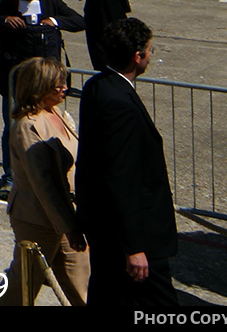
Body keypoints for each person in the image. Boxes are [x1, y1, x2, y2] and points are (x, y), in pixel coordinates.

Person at [76, 17, 178, 309]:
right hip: (132, 238)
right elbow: (121, 178)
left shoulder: (98, 86)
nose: (150, 54)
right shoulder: (120, 104)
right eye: (149, 49)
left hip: (105, 230)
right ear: (138, 56)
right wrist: (134, 249)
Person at [0, 0, 85, 195]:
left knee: (49, 125)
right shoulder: (3, 1)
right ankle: (11, 177)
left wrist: (54, 20)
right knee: (13, 127)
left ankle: (53, 173)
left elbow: (78, 21)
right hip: (15, 80)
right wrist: (3, 20)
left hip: (44, 81)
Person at [0, 57, 88, 307]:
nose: (64, 89)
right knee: (23, 284)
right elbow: (43, 184)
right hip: (37, 219)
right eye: (57, 85)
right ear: (38, 87)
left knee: (80, 282)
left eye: (64, 83)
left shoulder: (57, 112)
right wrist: (70, 227)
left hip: (66, 214)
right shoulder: (27, 127)